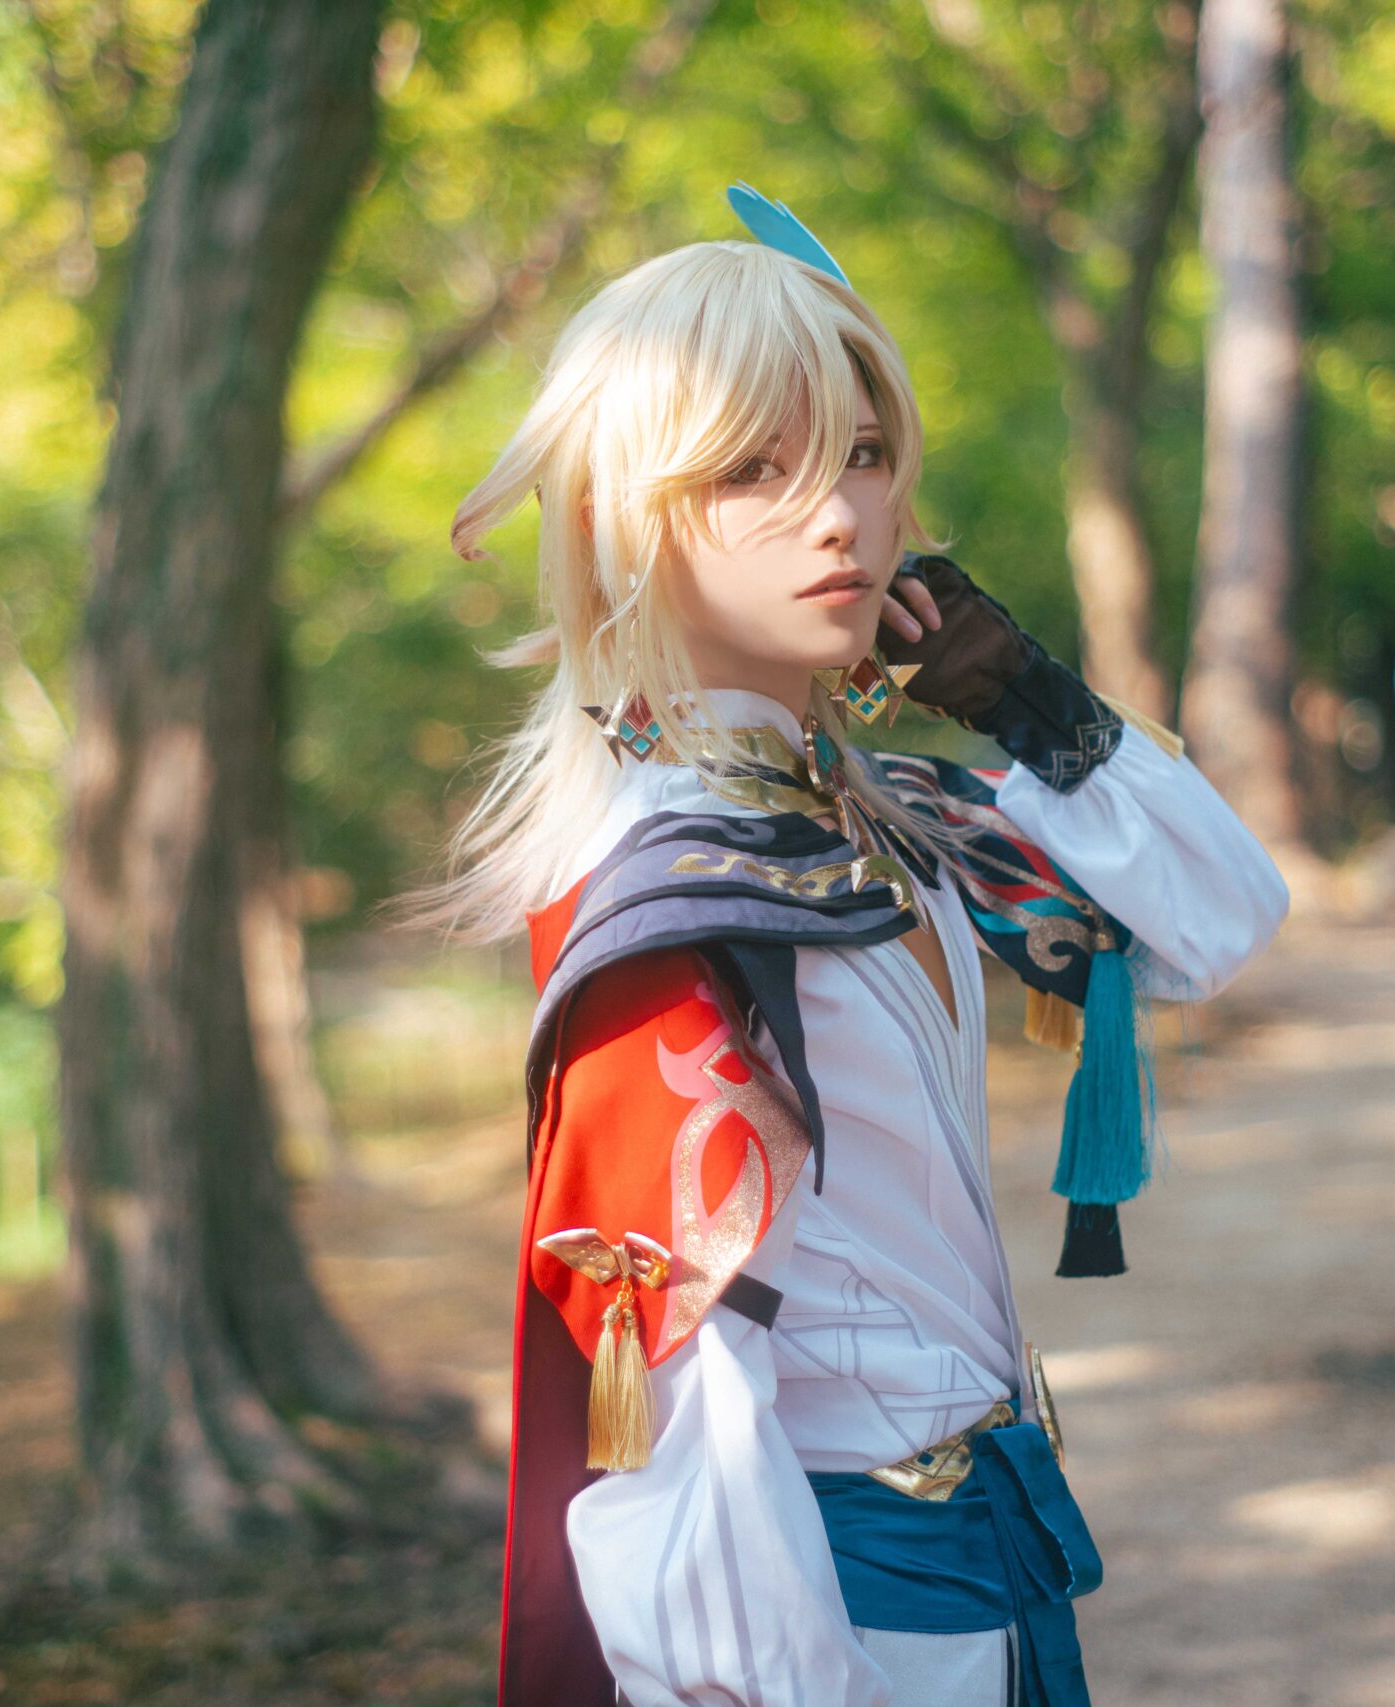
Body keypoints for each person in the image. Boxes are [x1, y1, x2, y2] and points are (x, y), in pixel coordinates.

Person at [398, 187, 1291, 1707]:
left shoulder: (870, 818)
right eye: (756, 465)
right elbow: (679, 1433)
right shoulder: (676, 905)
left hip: (991, 1590)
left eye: (865, 454)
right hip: (855, 1633)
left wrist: (1020, 695)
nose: (838, 515)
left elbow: (1212, 921)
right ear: (622, 515)